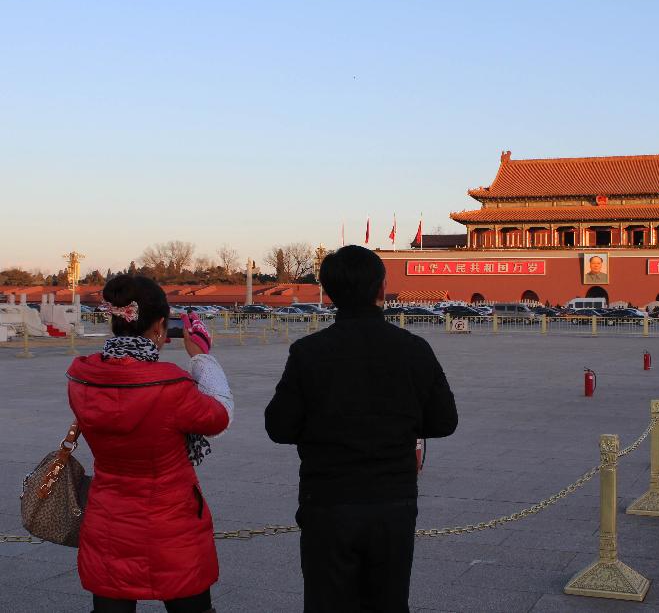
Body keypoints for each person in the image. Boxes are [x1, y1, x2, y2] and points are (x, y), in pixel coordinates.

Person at [265, 245, 458, 613]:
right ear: (381, 289)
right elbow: (445, 421)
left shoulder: (308, 352)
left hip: (328, 502)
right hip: (392, 502)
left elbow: (279, 426)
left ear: (328, 292)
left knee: (327, 602)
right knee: (388, 602)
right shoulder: (414, 349)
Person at [67, 275, 233, 613]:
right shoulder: (171, 385)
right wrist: (202, 358)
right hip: (172, 524)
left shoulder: (82, 378)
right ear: (160, 325)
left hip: (108, 519)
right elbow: (219, 416)